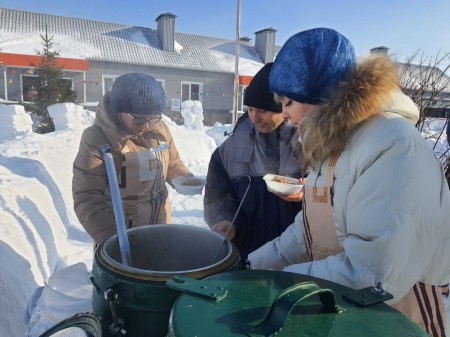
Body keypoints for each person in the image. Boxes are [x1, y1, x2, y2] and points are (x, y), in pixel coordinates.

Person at [248, 28, 450, 337]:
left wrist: (283, 283)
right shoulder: (330, 144)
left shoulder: (391, 145)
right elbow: (307, 235)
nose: (284, 114)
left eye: (287, 102)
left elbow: (376, 275)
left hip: (398, 315)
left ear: (316, 96)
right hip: (340, 301)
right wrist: (251, 268)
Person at [72, 73, 193, 245]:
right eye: (138, 119)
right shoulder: (97, 138)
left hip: (160, 230)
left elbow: (173, 163)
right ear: (118, 110)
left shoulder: (160, 129)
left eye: (152, 118)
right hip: (120, 237)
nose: (146, 126)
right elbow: (88, 198)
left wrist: (184, 178)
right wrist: (116, 241)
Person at [204, 62, 304, 259]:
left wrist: (306, 193)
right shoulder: (230, 149)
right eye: (250, 109)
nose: (254, 117)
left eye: (262, 111)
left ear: (283, 109)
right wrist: (225, 220)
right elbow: (217, 193)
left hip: (297, 257)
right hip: (245, 257)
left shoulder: (310, 145)